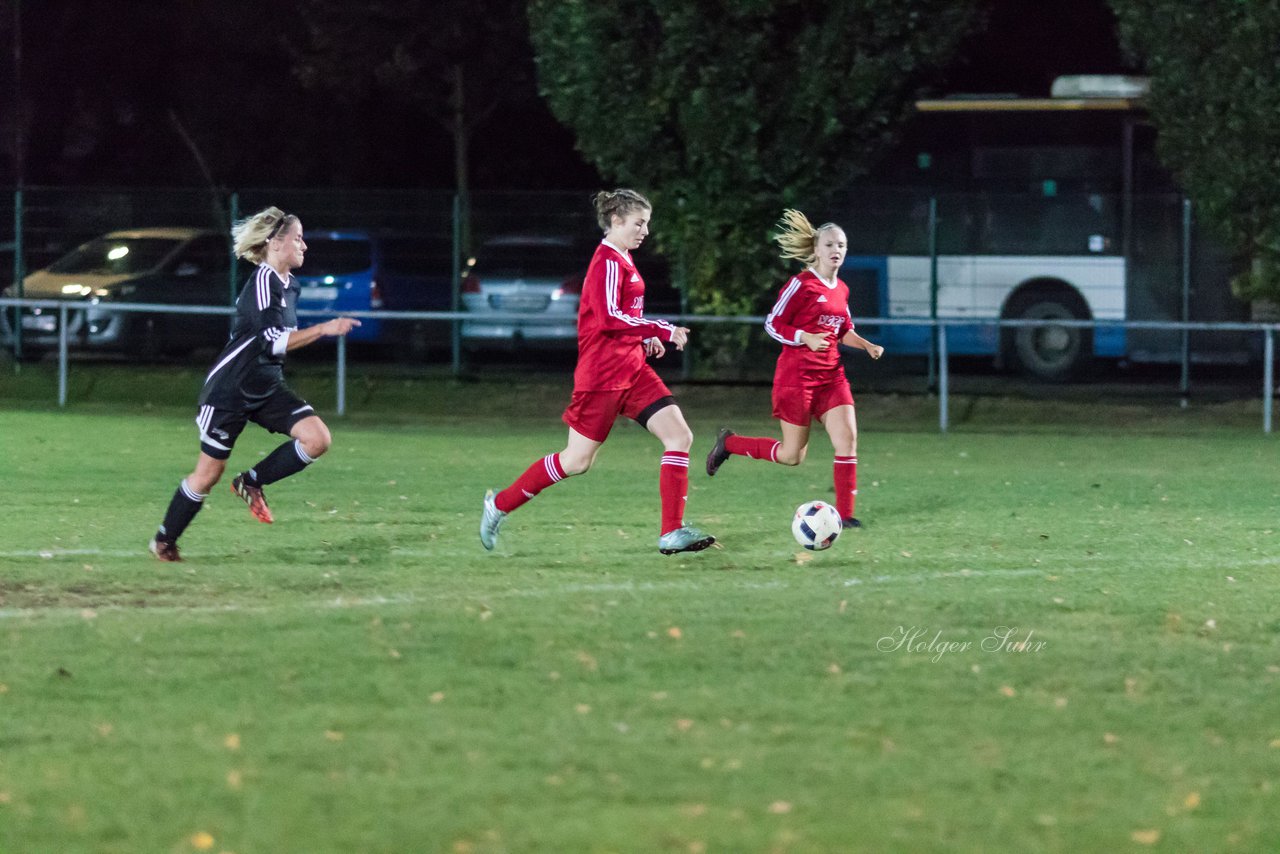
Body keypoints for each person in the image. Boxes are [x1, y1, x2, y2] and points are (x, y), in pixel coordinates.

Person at [480, 189, 716, 555]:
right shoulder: (606, 260)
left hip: (632, 370)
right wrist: (659, 329)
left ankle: (671, 532)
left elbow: (624, 316)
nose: (645, 231)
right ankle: (499, 505)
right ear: (616, 221)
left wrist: (642, 339)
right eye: (639, 223)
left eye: (647, 224)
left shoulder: (624, 258)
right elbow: (607, 318)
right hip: (602, 378)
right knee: (576, 461)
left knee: (679, 436)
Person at [148, 207, 361, 561]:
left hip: (265, 385)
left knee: (317, 438)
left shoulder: (290, 285)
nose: (304, 246)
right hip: (230, 391)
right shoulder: (263, 280)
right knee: (207, 474)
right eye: (297, 238)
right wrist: (324, 328)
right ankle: (164, 540)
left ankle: (251, 481)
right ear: (276, 243)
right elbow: (272, 340)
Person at [705, 209, 883, 528]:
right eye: (829, 244)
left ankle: (845, 516)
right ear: (815, 249)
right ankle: (729, 443)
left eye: (841, 245)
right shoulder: (800, 285)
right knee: (791, 456)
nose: (836, 250)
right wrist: (804, 337)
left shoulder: (841, 289)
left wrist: (866, 344)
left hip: (831, 378)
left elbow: (843, 330)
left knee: (847, 439)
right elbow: (772, 323)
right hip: (796, 379)